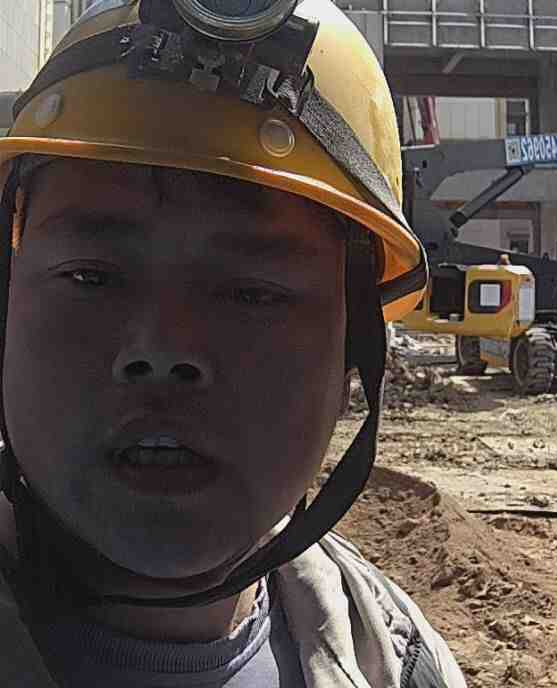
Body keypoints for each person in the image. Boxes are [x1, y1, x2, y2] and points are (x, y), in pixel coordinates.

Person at [0, 1, 466, 686]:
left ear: (352, 352)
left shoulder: (398, 663)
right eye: (91, 276)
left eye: (252, 293)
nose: (162, 348)